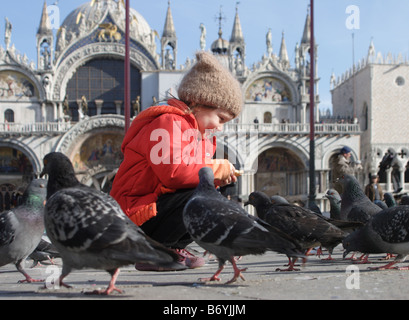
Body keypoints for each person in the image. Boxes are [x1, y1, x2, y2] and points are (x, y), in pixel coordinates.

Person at [110, 51, 243, 269]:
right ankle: (155, 251)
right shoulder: (167, 122)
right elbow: (174, 174)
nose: (220, 127)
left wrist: (220, 179)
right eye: (220, 118)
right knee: (200, 196)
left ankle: (172, 245)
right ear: (200, 103)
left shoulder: (199, 135)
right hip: (133, 214)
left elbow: (191, 176)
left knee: (210, 194)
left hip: (153, 207)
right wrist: (214, 168)